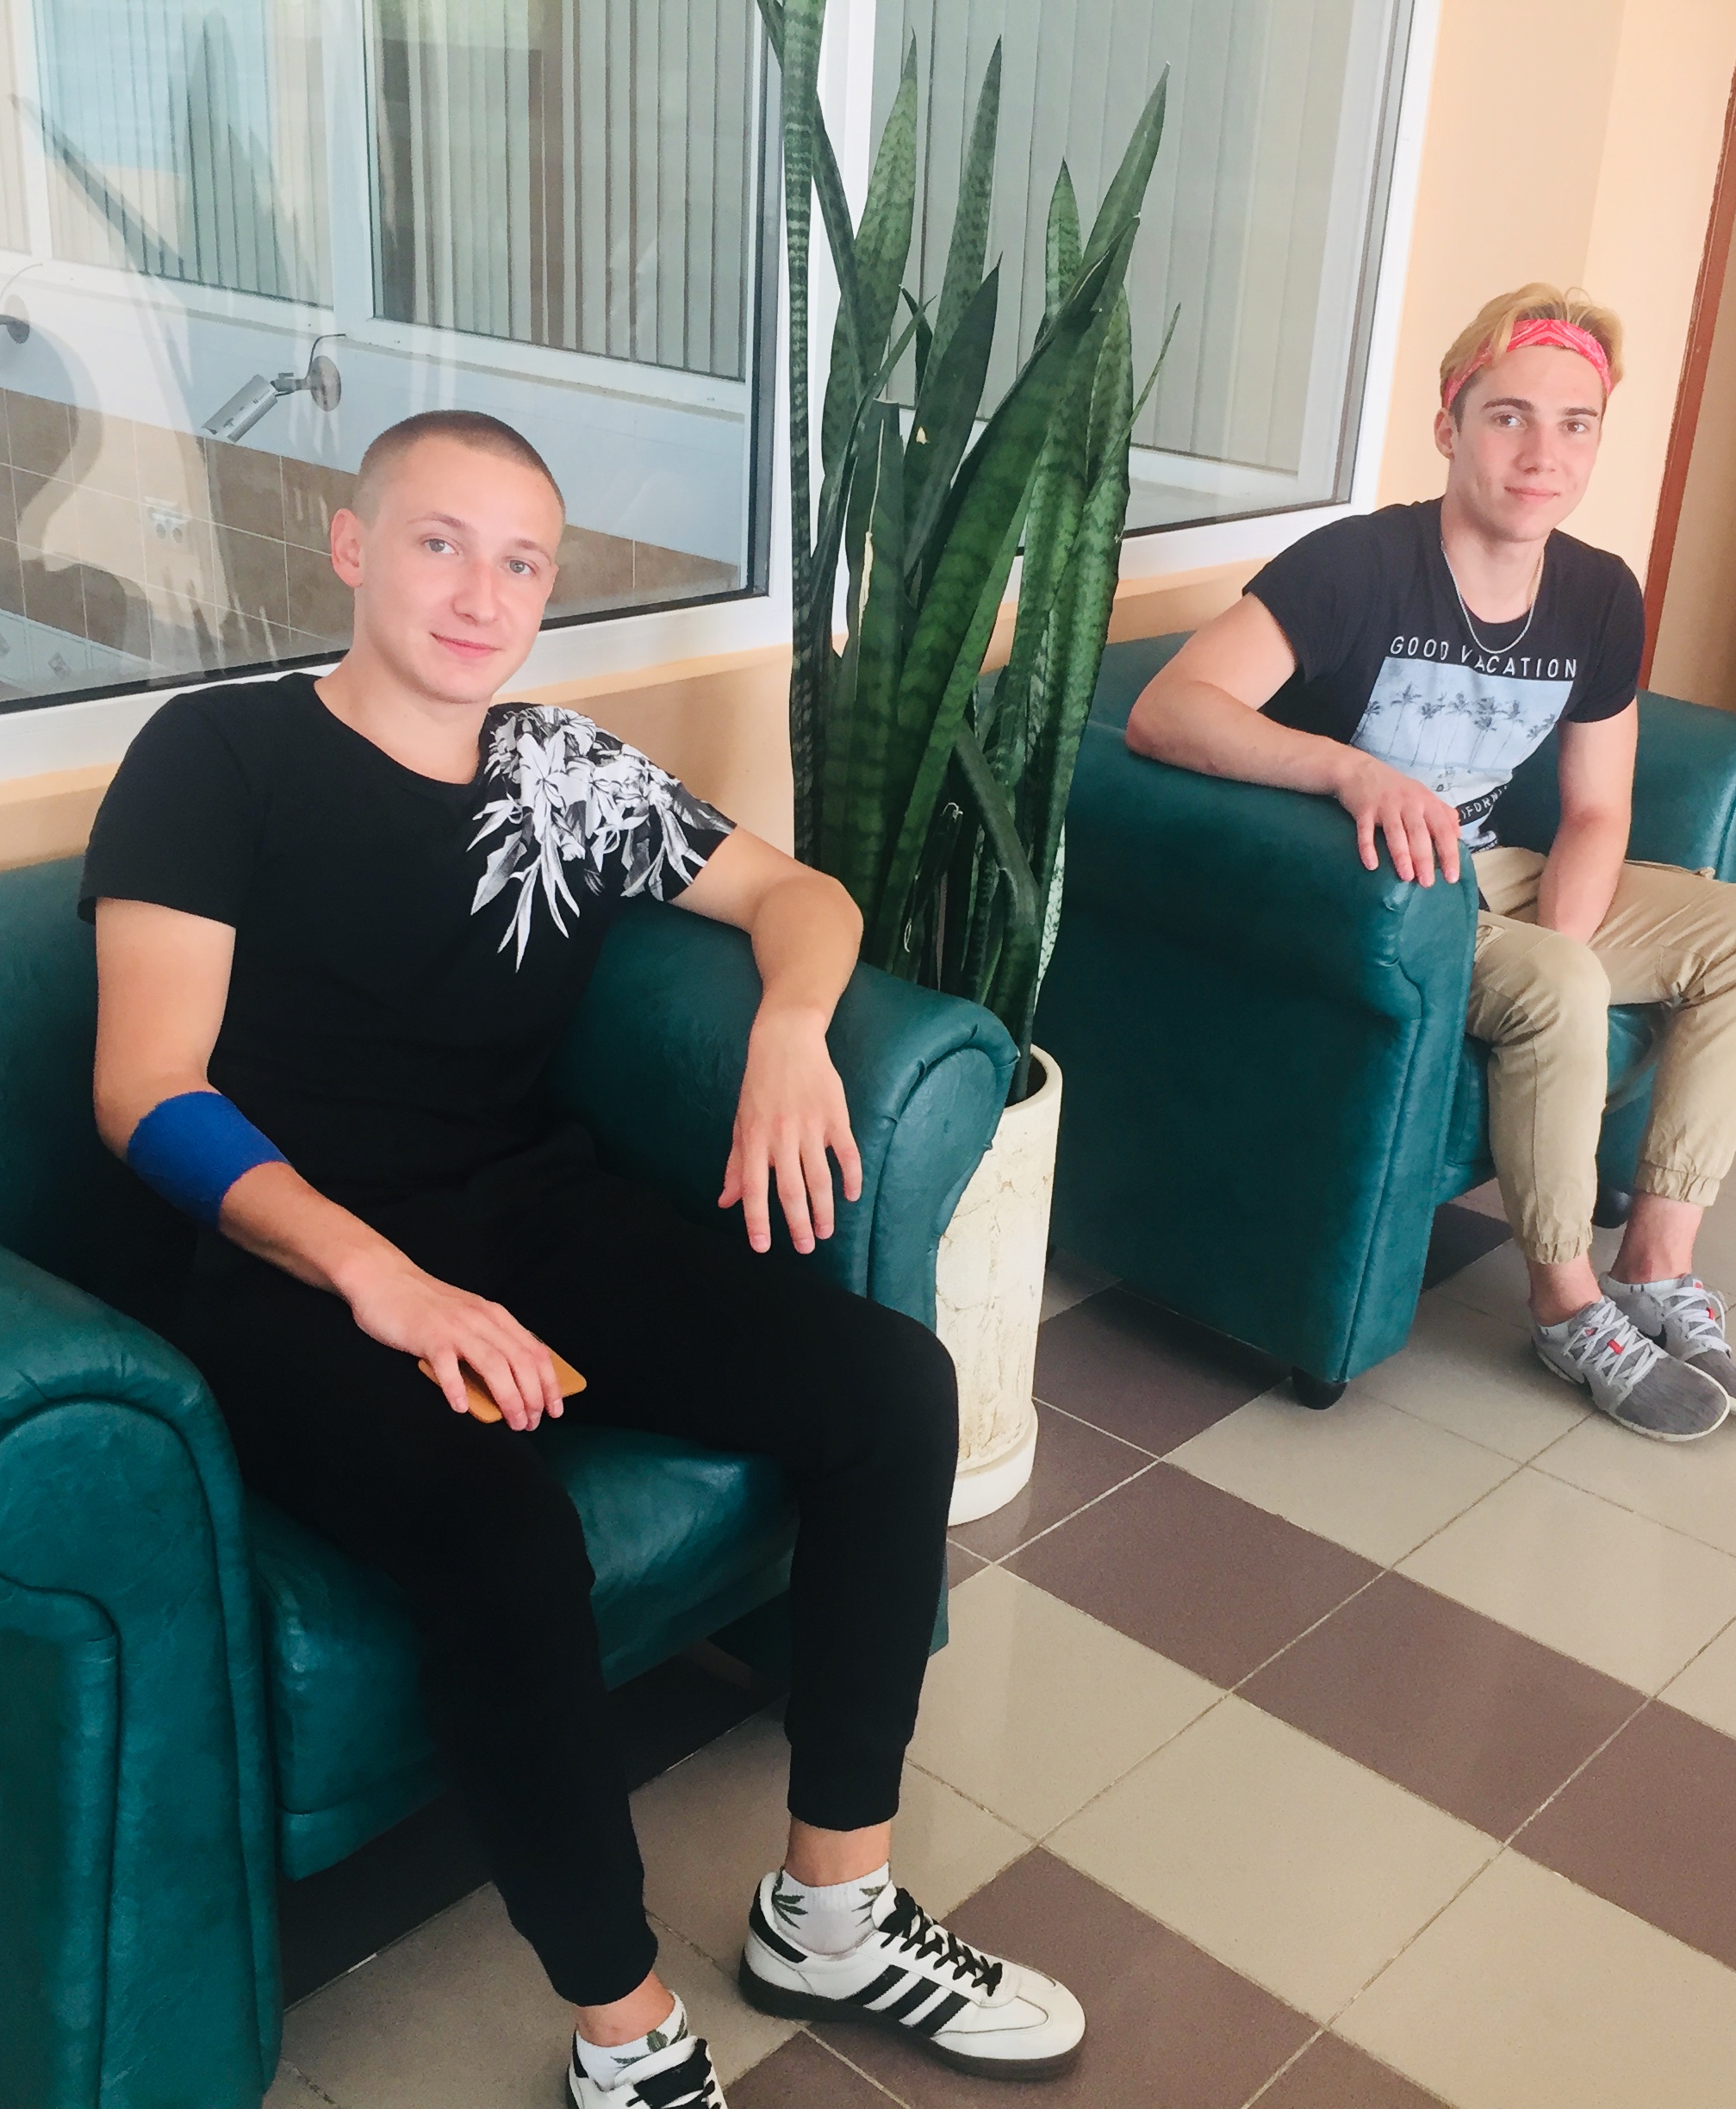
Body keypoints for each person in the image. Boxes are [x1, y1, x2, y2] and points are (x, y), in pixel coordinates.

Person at [81, 410, 1083, 2108]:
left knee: (891, 1389)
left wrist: (792, 1026)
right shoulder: (217, 756)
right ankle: (625, 2025)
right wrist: (380, 1280)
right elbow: (144, 1090)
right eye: (440, 543)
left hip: (524, 1210)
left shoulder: (566, 773)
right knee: (503, 1535)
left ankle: (833, 1914)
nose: (484, 594)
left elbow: (803, 897)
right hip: (283, 1268)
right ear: (351, 548)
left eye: (523, 563)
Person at [1124, 286, 1736, 1443]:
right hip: (1376, 894)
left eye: (1576, 423)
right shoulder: (1354, 565)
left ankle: (1655, 1263)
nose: (1544, 454)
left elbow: (1598, 809)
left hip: (1499, 874)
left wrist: (1560, 948)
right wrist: (1350, 773)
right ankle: (1567, 1307)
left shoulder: (1598, 593)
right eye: (1509, 417)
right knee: (1556, 981)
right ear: (1449, 426)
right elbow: (1166, 709)